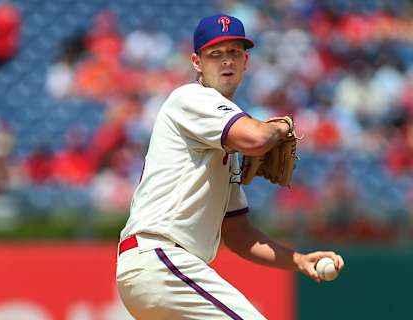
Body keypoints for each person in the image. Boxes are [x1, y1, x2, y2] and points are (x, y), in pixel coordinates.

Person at [116, 14, 345, 319]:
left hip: (156, 268)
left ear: (246, 60)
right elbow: (257, 137)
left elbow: (238, 233)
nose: (226, 61)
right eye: (215, 54)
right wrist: (280, 126)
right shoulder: (192, 98)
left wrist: (298, 260)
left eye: (234, 52)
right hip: (162, 259)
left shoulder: (222, 144)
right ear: (197, 62)